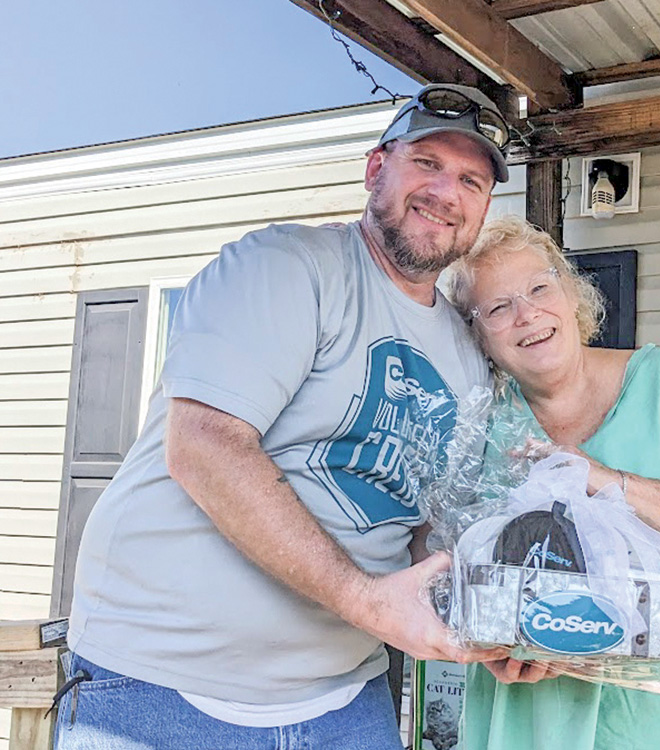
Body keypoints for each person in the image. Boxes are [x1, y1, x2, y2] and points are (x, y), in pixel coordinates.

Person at [55, 84, 512, 750]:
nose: (447, 191)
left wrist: (494, 621)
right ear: (375, 168)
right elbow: (206, 447)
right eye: (428, 163)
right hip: (163, 691)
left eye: (471, 180)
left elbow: (423, 531)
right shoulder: (287, 266)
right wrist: (365, 601)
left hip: (345, 701)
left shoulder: (466, 358)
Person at [448, 216, 660, 750]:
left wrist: (602, 481)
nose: (528, 314)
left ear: (571, 292)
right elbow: (440, 553)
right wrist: (486, 642)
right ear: (477, 336)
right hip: (535, 716)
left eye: (540, 287)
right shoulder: (482, 421)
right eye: (498, 307)